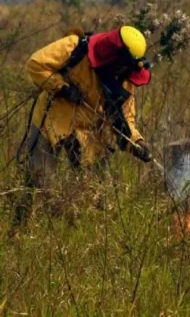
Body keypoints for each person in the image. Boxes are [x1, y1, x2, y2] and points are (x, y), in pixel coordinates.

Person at [15, 26, 154, 227]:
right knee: (38, 183)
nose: (123, 71)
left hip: (89, 134)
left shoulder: (125, 81)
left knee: (99, 193)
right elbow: (36, 64)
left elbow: (126, 120)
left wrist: (137, 142)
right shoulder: (74, 47)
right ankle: (20, 228)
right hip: (53, 122)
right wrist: (62, 88)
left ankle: (80, 228)